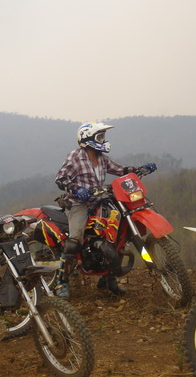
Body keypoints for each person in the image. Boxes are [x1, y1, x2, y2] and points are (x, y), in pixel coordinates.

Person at [53, 121, 156, 298]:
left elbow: (120, 170)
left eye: (103, 137)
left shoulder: (102, 158)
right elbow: (60, 179)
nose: (102, 140)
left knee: (115, 235)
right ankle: (61, 282)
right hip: (78, 203)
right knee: (75, 240)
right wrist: (77, 189)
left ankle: (108, 280)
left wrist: (139, 169)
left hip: (100, 200)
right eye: (99, 137)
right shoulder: (75, 157)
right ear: (88, 139)